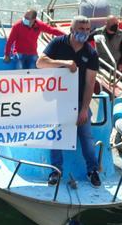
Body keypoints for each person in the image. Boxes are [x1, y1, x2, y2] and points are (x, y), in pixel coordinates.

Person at [36, 16, 101, 188]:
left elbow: (90, 83)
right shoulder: (58, 43)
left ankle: (92, 170)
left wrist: (85, 109)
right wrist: (64, 63)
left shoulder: (91, 53)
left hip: (80, 101)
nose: (85, 33)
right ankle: (55, 170)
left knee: (86, 136)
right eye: (81, 29)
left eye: (87, 30)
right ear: (72, 29)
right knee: (56, 135)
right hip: (58, 100)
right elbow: (40, 62)